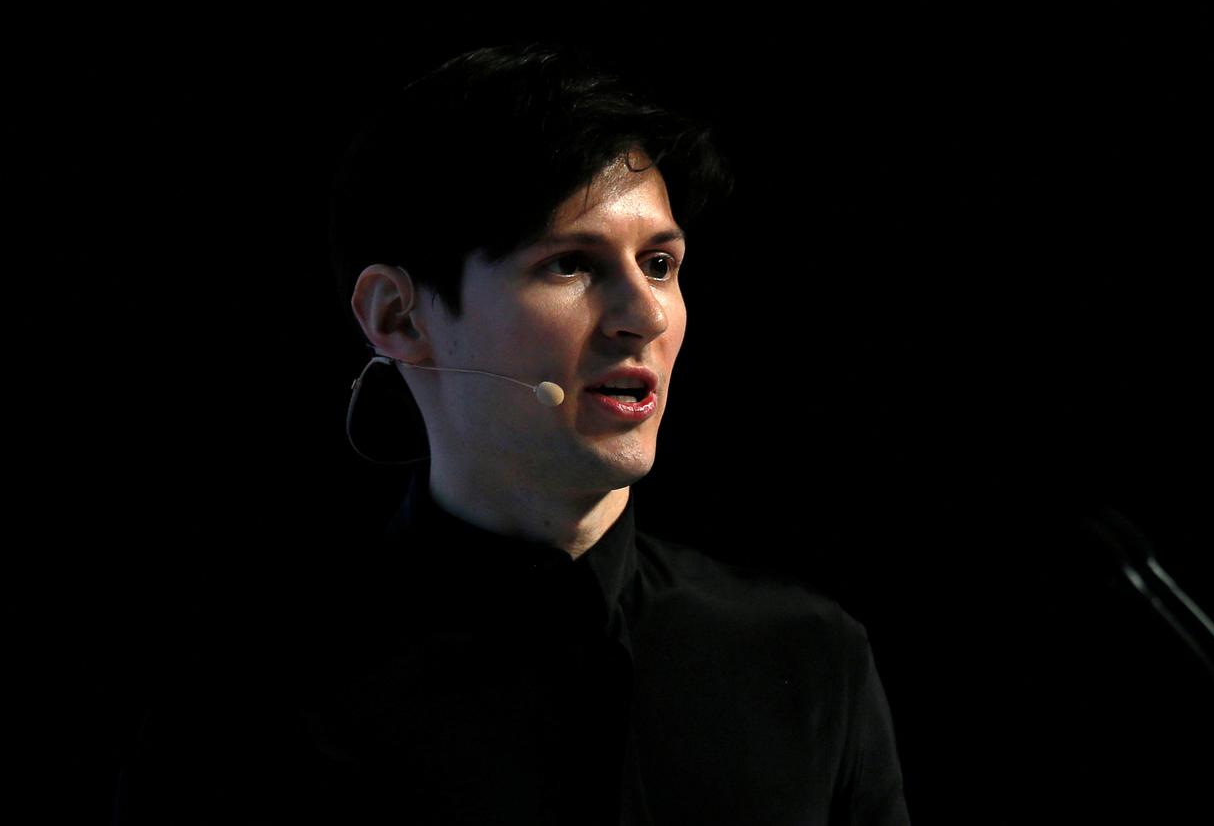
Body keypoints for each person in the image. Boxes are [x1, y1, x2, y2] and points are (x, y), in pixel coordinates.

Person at [116, 42, 910, 825]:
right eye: (572, 263)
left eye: (661, 263)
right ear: (399, 315)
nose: (648, 315)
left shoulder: (806, 658)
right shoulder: (248, 698)